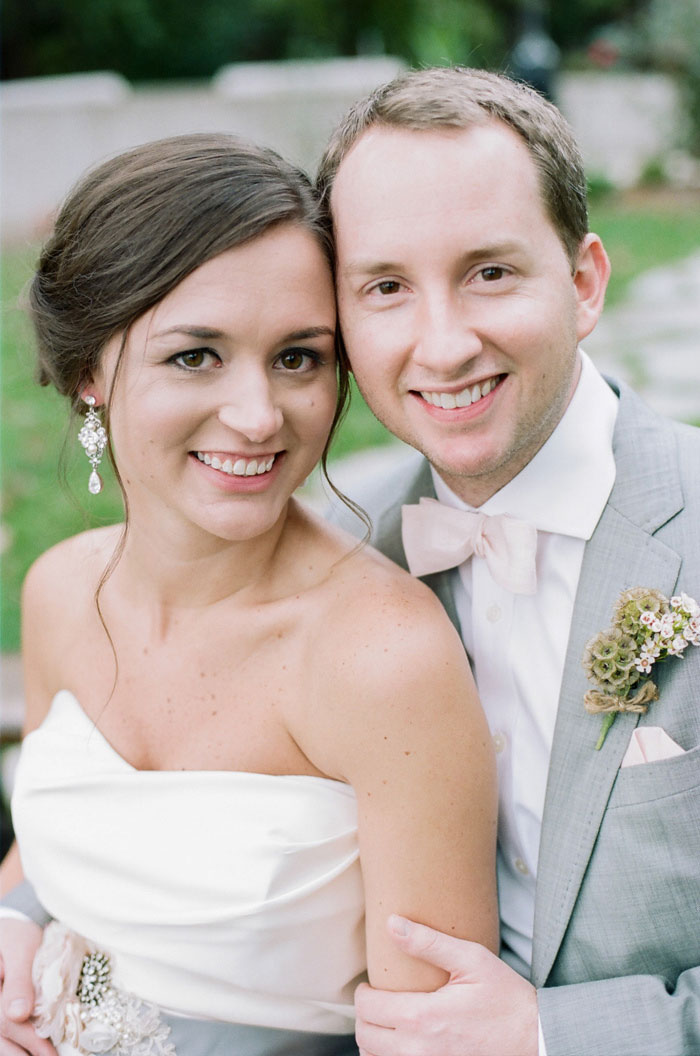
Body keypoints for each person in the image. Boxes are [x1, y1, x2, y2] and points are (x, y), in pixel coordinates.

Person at [0, 132, 498, 1056]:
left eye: (299, 358)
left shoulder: (381, 659)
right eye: (196, 356)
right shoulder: (60, 589)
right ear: (88, 376)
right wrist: (13, 922)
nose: (260, 415)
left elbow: (439, 1038)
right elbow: (56, 843)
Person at [313, 66, 700, 1055]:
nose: (441, 347)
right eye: (387, 288)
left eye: (489, 272)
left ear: (582, 284)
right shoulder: (345, 583)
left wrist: (549, 1035)